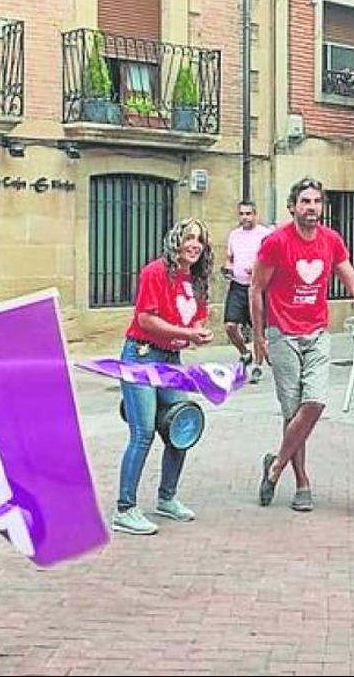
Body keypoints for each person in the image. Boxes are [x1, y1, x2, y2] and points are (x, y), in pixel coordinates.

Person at [251, 178, 354, 512]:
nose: (312, 208)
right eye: (305, 201)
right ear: (292, 206)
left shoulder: (331, 241)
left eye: (317, 202)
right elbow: (255, 289)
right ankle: (302, 482)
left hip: (317, 333)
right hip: (282, 335)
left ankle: (276, 465)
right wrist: (258, 338)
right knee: (292, 412)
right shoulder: (276, 242)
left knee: (316, 402)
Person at [112, 218, 214, 536]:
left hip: (171, 360)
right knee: (142, 433)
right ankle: (125, 509)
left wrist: (196, 333)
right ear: (176, 241)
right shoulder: (155, 272)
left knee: (182, 426)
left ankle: (166, 498)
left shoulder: (196, 281)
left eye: (200, 239)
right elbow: (145, 318)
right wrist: (188, 332)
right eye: (189, 237)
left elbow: (195, 318)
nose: (195, 244)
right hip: (141, 356)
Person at [223, 201, 272, 383]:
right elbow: (229, 258)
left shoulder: (265, 235)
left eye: (248, 213)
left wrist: (258, 269)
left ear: (255, 214)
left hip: (257, 287)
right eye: (242, 214)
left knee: (258, 329)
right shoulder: (234, 235)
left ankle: (258, 366)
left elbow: (272, 260)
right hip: (237, 285)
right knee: (229, 326)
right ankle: (245, 352)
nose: (245, 217)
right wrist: (228, 268)